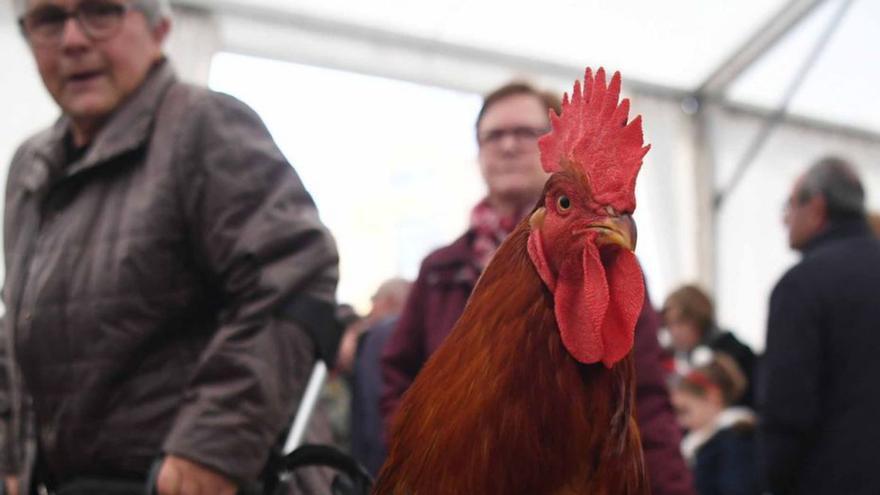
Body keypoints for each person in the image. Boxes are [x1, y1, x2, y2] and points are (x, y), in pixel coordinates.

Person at [1, 1, 339, 494]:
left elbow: (294, 279)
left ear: (159, 29)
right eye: (48, 20)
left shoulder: (203, 124)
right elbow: (15, 329)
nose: (73, 40)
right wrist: (12, 455)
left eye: (100, 12)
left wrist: (213, 448)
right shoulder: (30, 168)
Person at [381, 81, 695, 495]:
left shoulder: (611, 266)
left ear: (551, 148)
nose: (508, 145)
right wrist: (423, 449)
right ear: (479, 151)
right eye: (494, 134)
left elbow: (650, 403)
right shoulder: (439, 269)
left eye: (524, 132)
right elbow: (394, 377)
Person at [759, 156, 880, 494]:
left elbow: (787, 410)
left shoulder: (801, 286)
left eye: (790, 205)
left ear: (816, 206)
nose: (785, 219)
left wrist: (774, 481)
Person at [346, 278, 411, 476]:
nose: (371, 308)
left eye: (374, 300)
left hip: (378, 463)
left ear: (389, 301)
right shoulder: (409, 336)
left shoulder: (381, 335)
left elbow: (372, 401)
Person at [671, 353, 758, 495]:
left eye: (685, 410)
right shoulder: (702, 443)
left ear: (713, 396)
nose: (680, 421)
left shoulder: (736, 441)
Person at [662, 285, 757, 406]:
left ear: (699, 319)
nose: (674, 332)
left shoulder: (736, 354)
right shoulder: (671, 359)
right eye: (669, 324)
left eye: (681, 322)